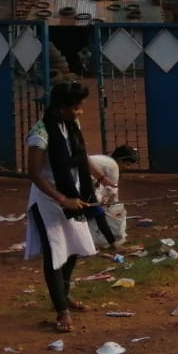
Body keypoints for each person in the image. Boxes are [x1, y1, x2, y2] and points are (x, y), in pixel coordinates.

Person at [23, 80, 110, 332]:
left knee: (73, 248)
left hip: (74, 194)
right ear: (61, 107)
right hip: (48, 200)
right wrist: (62, 199)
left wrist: (100, 177)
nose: (80, 112)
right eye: (76, 107)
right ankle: (61, 310)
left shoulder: (71, 125)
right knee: (55, 254)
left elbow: (81, 156)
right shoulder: (40, 133)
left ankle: (64, 294)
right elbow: (34, 174)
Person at [87, 145, 139, 248]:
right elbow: (113, 192)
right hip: (79, 181)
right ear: (120, 160)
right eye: (127, 164)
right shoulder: (113, 166)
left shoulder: (107, 161)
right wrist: (108, 205)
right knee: (99, 209)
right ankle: (110, 240)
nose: (127, 168)